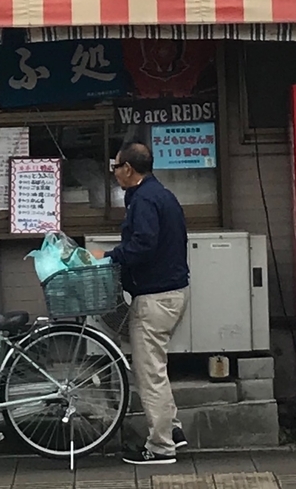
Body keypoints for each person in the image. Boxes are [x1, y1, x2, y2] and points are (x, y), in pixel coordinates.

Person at [90, 142, 190, 465]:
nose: (115, 172)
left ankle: (160, 447)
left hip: (155, 298)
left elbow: (142, 245)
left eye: (115, 166)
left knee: (149, 374)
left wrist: (108, 258)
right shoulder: (162, 194)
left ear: (128, 169)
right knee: (156, 367)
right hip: (173, 292)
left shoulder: (144, 200)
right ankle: (172, 430)